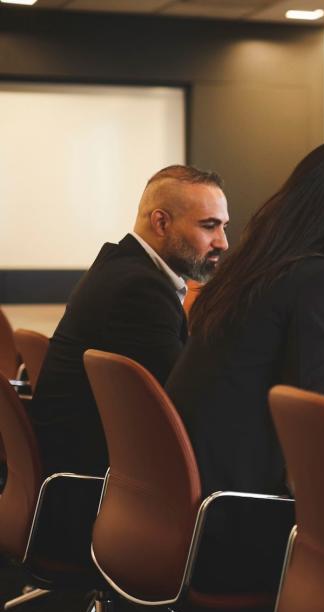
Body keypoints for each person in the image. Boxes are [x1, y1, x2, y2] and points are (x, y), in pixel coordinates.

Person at [165, 141, 324, 499]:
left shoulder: (253, 270)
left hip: (198, 490)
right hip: (245, 508)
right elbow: (319, 452)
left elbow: (276, 400)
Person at [30, 165, 229, 477]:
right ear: (161, 222)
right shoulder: (139, 290)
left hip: (74, 466)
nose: (222, 242)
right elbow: (183, 401)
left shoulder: (121, 267)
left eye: (223, 227)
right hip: (91, 479)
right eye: (209, 226)